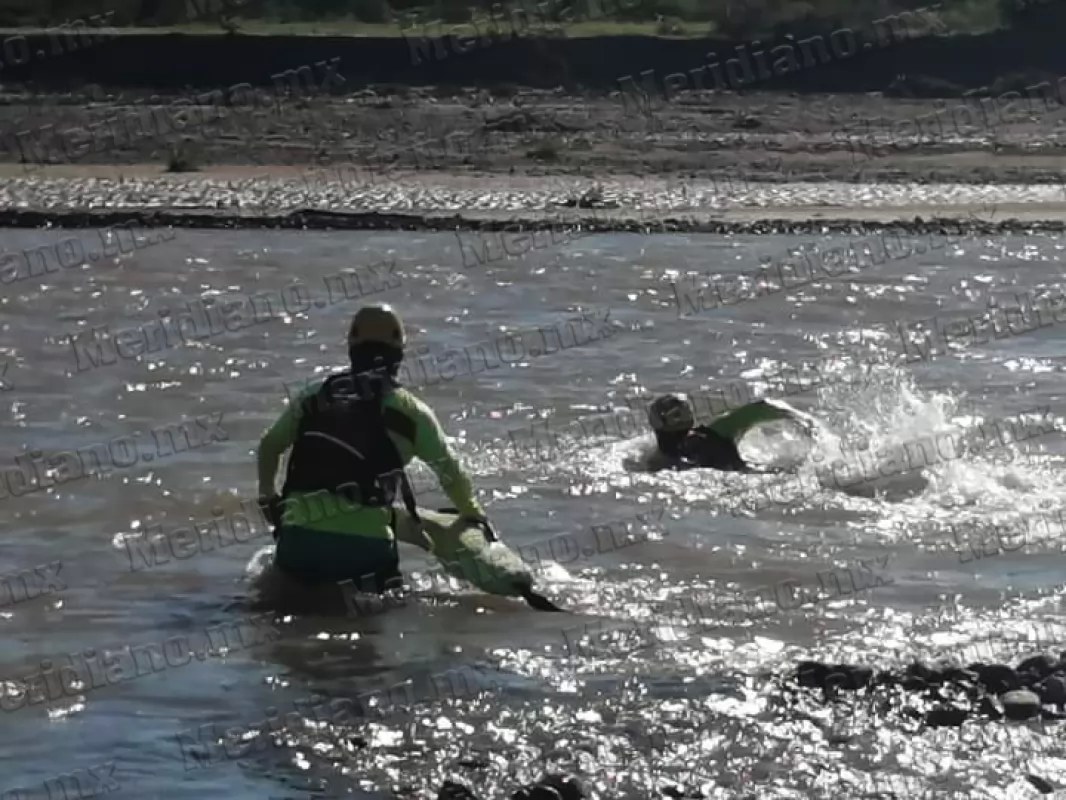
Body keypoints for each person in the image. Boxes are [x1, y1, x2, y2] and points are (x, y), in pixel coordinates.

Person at [256, 304, 488, 593]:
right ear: (399, 354)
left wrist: (267, 496)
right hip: (367, 551)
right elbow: (450, 472)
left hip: (299, 544)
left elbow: (268, 446)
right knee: (375, 622)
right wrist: (474, 515)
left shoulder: (314, 396)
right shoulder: (412, 413)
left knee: (281, 610)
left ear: (352, 347)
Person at [645, 393, 810, 473]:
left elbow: (761, 407)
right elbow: (762, 407)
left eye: (681, 413)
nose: (680, 419)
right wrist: (805, 422)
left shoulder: (656, 459)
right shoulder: (716, 432)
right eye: (675, 416)